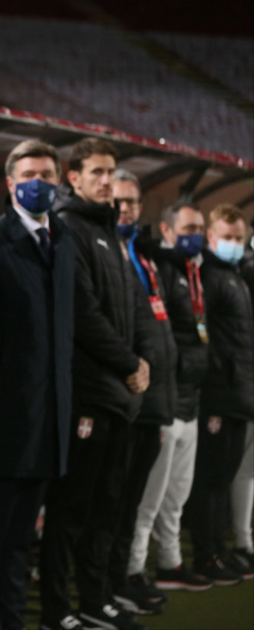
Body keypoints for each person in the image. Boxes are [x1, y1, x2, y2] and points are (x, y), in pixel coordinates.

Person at [41, 137, 155, 630]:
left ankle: (95, 599)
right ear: (74, 178)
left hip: (120, 394)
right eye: (98, 173)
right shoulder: (67, 227)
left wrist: (143, 361)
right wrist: (130, 362)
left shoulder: (110, 231)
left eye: (111, 172)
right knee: (71, 509)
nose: (107, 181)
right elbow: (82, 312)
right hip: (88, 393)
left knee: (107, 506)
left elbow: (136, 308)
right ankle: (55, 610)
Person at [0, 140, 76, 630]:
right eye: (28, 174)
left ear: (59, 181)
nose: (38, 183)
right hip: (3, 421)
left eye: (47, 174)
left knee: (20, 539)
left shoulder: (65, 240)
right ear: (10, 183)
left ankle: (12, 619)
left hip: (50, 421)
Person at [126, 201, 213, 596]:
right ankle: (133, 569)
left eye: (200, 228)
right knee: (149, 496)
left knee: (176, 494)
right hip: (166, 398)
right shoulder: (158, 267)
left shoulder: (192, 270)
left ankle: (169, 562)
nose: (196, 235)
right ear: (166, 230)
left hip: (190, 398)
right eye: (188, 228)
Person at [108, 170, 177, 615]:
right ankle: (109, 584)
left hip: (152, 397)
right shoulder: (102, 250)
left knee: (133, 500)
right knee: (115, 502)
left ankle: (124, 577)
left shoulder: (142, 253)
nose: (126, 209)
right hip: (123, 394)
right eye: (119, 201)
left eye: (133, 201)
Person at [184, 203, 254, 584]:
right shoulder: (209, 276)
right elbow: (201, 330)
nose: (234, 244)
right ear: (210, 237)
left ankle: (219, 551)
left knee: (224, 477)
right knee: (209, 477)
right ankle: (205, 555)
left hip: (238, 391)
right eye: (227, 237)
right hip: (218, 393)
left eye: (239, 238)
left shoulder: (235, 276)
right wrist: (215, 374)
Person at [231, 230, 254, 573]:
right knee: (245, 466)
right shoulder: (247, 271)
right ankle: (242, 539)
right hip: (244, 380)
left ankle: (243, 538)